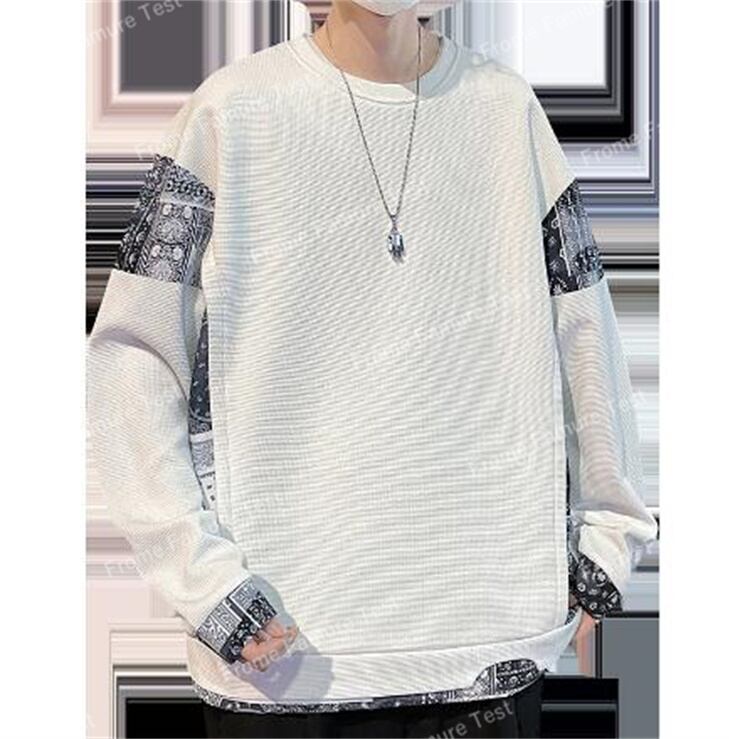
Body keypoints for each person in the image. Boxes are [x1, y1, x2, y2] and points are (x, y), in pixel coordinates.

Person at [86, 1, 658, 736]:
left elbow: (584, 325)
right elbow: (132, 358)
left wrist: (607, 535)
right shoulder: (231, 112)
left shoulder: (505, 111)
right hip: (281, 654)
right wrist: (205, 584)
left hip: (489, 640)